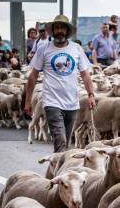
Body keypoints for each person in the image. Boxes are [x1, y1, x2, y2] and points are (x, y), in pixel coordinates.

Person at [25, 15, 95, 153]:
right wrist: (28, 101)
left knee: (65, 145)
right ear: (53, 31)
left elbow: (85, 74)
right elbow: (33, 76)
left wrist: (91, 94)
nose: (59, 31)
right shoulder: (44, 49)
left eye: (62, 28)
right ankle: (60, 172)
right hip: (52, 102)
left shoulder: (76, 49)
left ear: (67, 31)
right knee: (60, 141)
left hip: (72, 102)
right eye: (57, 28)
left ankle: (54, 171)